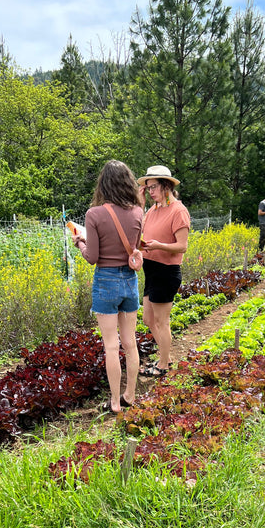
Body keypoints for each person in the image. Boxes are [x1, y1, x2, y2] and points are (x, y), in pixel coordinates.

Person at [72, 160, 143, 413]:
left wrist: (80, 242)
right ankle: (130, 395)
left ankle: (114, 402)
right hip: (130, 281)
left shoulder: (95, 214)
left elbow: (92, 257)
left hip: (106, 282)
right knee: (130, 342)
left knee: (111, 346)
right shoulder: (138, 211)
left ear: (103, 183)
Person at [137, 165, 190, 377]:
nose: (150, 191)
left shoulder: (178, 210)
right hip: (151, 269)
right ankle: (165, 358)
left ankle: (163, 364)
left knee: (161, 320)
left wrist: (159, 245)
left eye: (153, 187)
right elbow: (139, 229)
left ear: (166, 186)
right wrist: (141, 205)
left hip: (166, 271)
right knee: (149, 320)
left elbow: (182, 246)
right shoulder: (153, 209)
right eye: (147, 188)